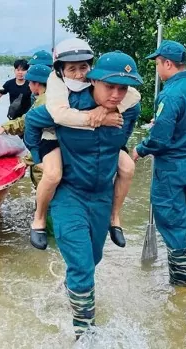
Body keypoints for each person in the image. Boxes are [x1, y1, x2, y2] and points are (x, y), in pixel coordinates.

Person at [25, 51, 142, 339]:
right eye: (109, 86)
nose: (116, 94)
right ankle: (85, 334)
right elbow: (31, 122)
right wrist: (41, 156)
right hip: (70, 195)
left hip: (102, 195)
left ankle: (74, 289)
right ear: (93, 80)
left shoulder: (129, 109)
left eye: (122, 88)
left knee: (94, 258)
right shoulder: (67, 107)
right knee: (82, 265)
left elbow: (120, 141)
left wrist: (108, 116)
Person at [29, 38, 141, 250]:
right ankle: (39, 218)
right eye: (72, 69)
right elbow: (45, 119)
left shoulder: (106, 90)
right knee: (52, 174)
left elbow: (132, 100)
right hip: (52, 135)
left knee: (128, 167)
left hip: (98, 148)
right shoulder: (56, 91)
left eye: (84, 67)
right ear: (60, 71)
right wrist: (37, 157)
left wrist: (109, 112)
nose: (79, 74)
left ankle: (115, 217)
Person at [132, 40, 186, 286]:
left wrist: (139, 149)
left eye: (157, 63)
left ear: (168, 63)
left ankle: (181, 286)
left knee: (172, 223)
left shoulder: (171, 93)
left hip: (172, 169)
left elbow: (160, 138)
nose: (157, 69)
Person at [0, 59, 32, 125]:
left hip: (26, 118)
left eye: (23, 70)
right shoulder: (9, 83)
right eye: (18, 70)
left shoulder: (30, 84)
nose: (20, 72)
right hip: (12, 117)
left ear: (27, 71)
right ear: (14, 70)